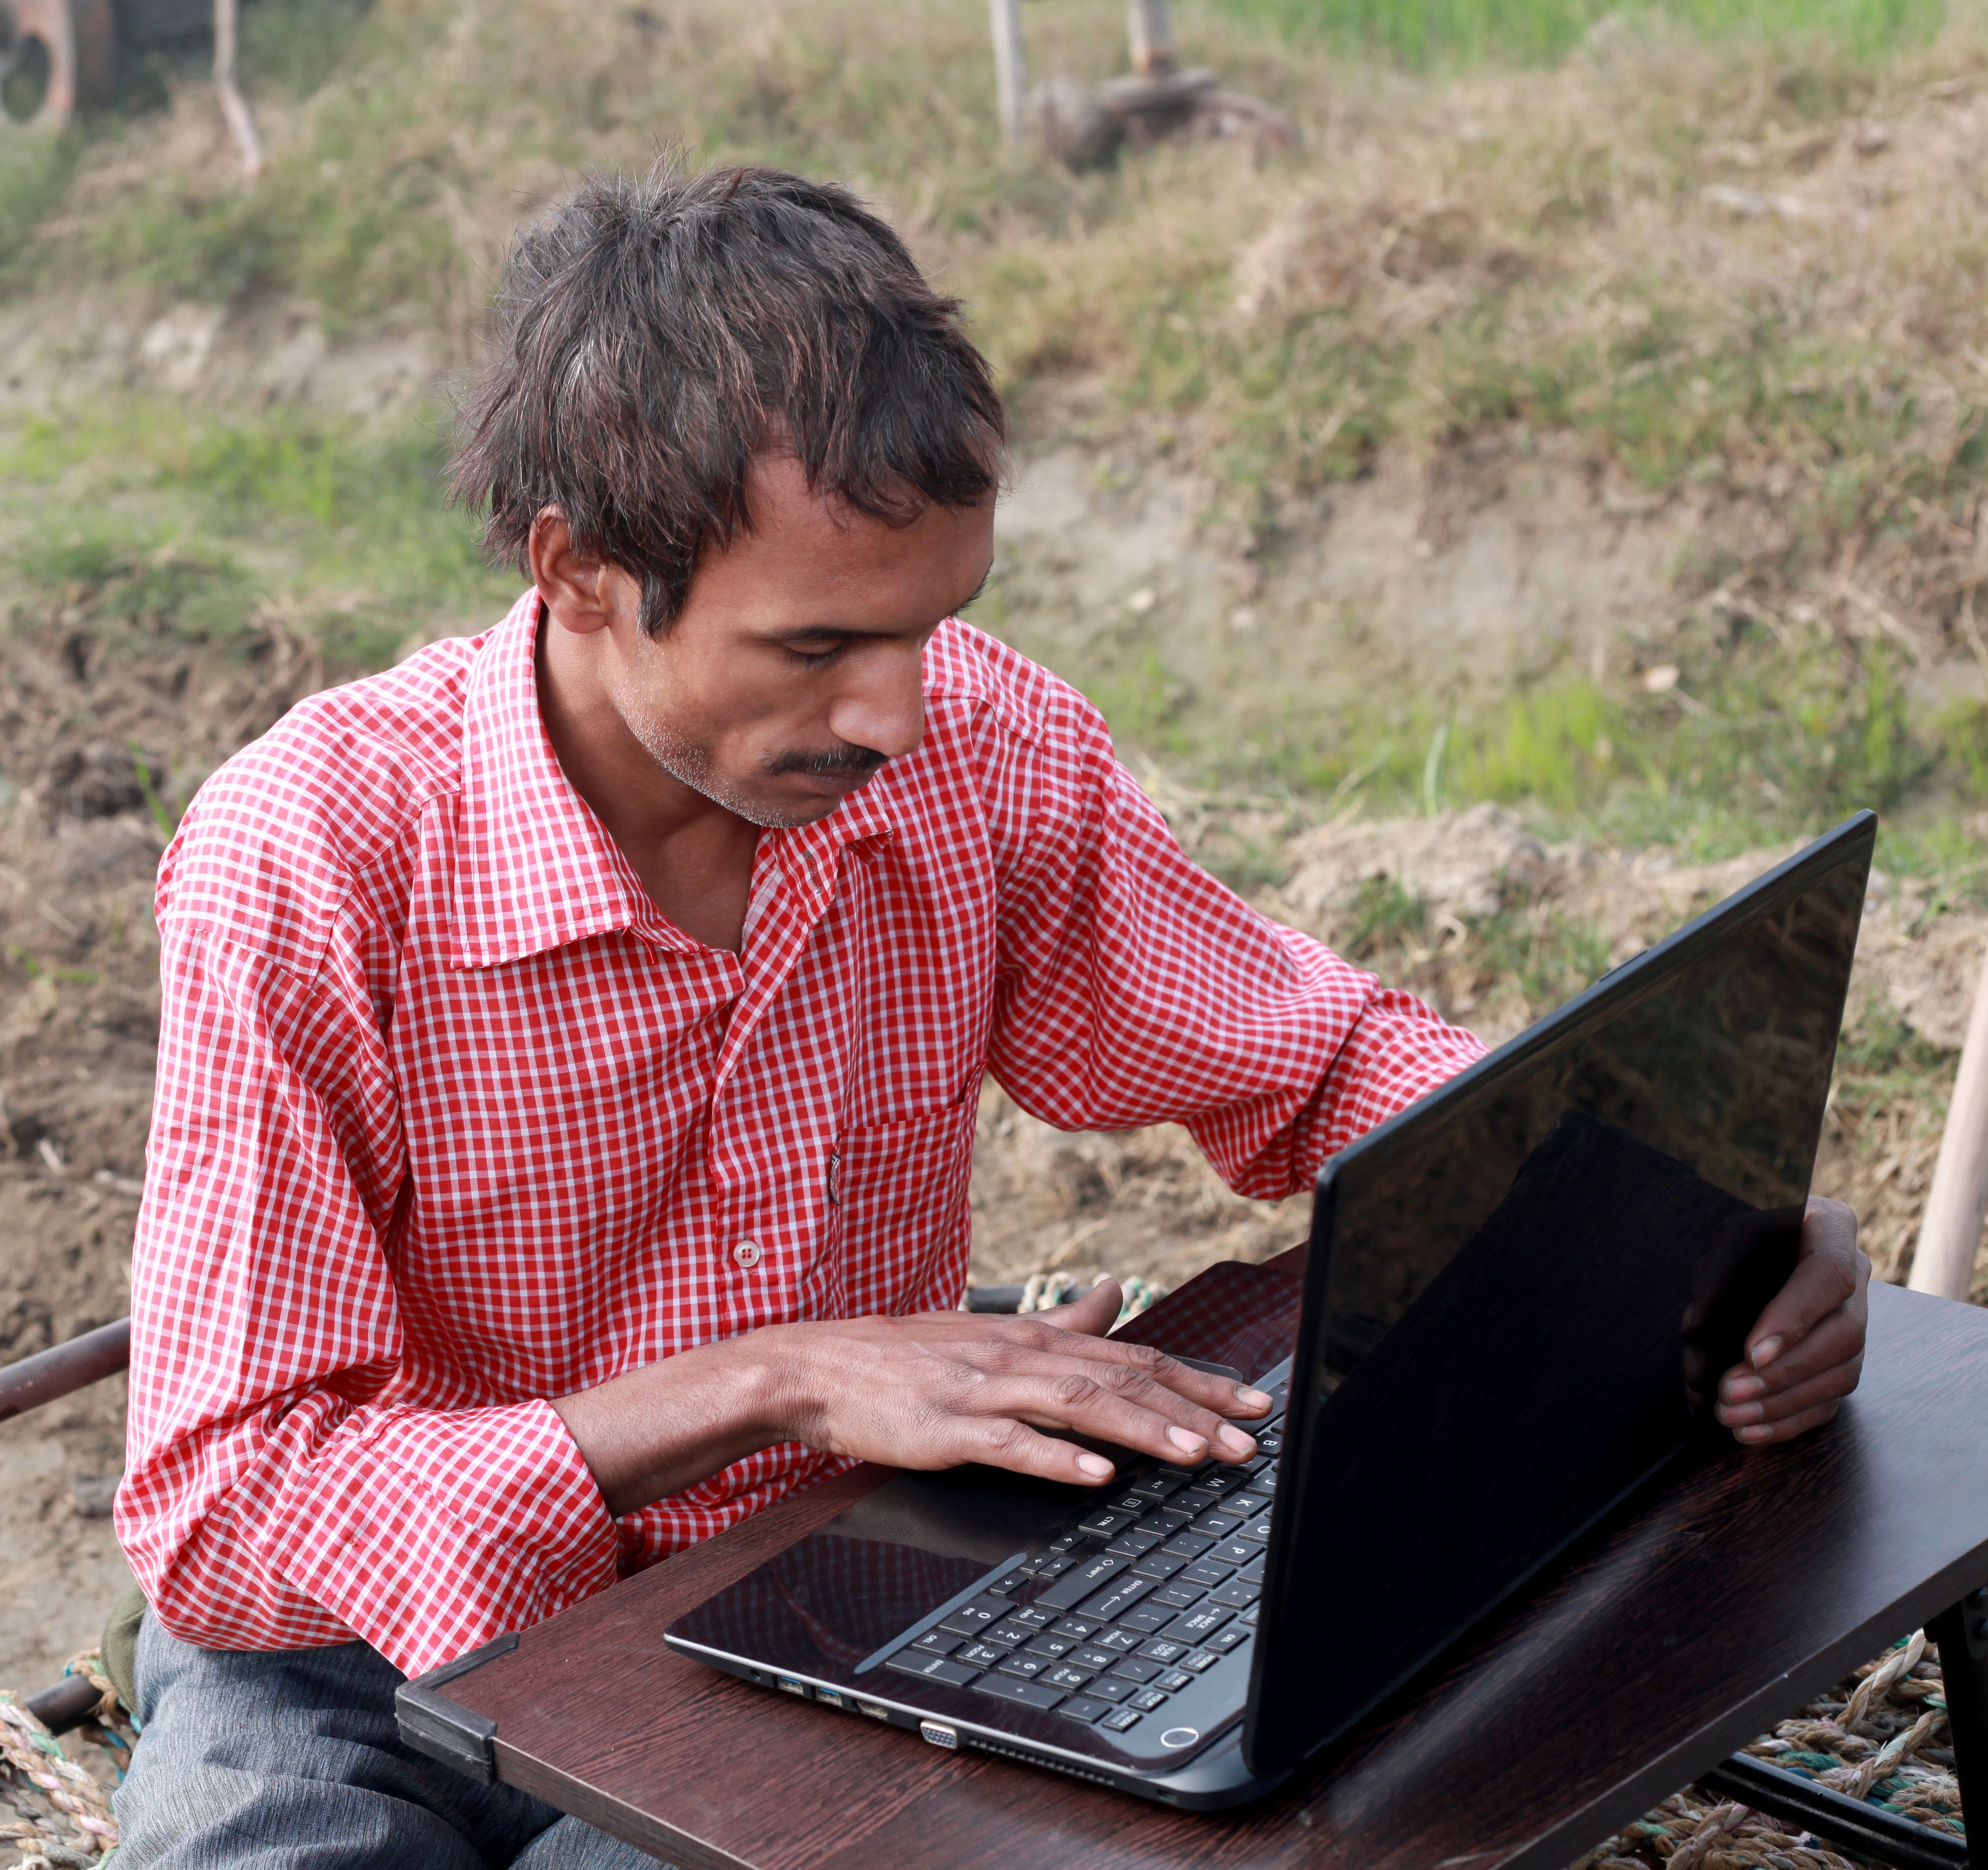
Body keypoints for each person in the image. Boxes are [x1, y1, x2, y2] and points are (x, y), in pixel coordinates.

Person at [105, 167, 1870, 1870]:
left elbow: (1325, 1060)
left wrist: (1691, 1225)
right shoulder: (318, 853)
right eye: (814, 650)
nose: (896, 712)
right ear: (576, 572)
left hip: (783, 1614)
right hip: (347, 1645)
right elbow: (224, 1513)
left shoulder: (983, 757)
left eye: (934, 626)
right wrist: (782, 1377)